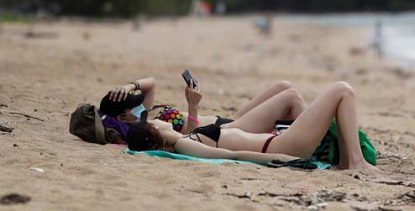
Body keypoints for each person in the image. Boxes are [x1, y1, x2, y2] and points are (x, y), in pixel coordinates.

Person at [127, 81, 376, 170]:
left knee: (336, 93)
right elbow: (233, 155)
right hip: (280, 146)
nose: (157, 119)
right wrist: (284, 159)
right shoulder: (185, 145)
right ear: (156, 132)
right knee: (342, 90)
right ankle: (354, 163)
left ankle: (348, 160)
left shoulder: (185, 141)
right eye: (155, 122)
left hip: (278, 142)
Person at [99, 77, 305, 140]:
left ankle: (308, 132)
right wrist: (192, 106)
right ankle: (319, 141)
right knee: (291, 98)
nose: (137, 105)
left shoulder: (143, 111)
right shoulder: (146, 126)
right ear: (123, 116)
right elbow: (187, 138)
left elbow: (151, 83)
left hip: (226, 120)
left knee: (284, 86)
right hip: (225, 131)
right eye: (131, 104)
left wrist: (127, 87)